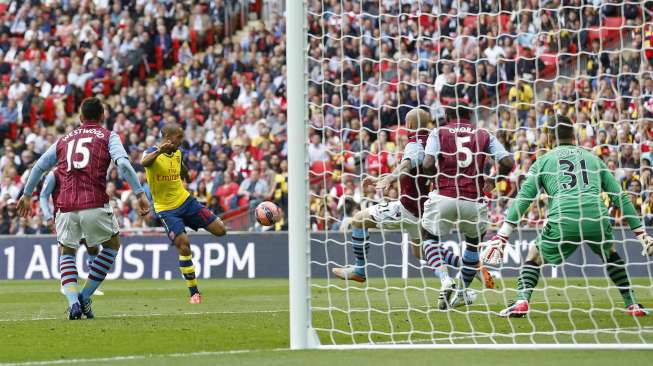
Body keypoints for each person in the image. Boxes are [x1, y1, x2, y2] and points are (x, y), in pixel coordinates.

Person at [481, 115, 653, 317]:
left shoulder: (543, 161)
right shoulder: (593, 159)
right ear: (574, 136)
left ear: (550, 139)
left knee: (534, 253)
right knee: (611, 253)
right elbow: (619, 197)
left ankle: (521, 301)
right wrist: (642, 235)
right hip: (596, 216)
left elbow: (524, 199)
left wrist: (503, 235)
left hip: (564, 217)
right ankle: (631, 304)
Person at [16, 97, 150, 320]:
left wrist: (27, 194)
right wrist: (139, 193)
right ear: (103, 116)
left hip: (65, 207)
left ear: (80, 118)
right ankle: (85, 296)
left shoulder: (63, 140)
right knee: (112, 245)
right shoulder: (108, 136)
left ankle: (72, 303)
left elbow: (39, 166)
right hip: (94, 203)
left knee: (66, 252)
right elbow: (124, 165)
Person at [331, 108, 494, 289]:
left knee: (358, 220)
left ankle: (359, 270)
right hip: (429, 210)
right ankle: (472, 267)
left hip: (408, 208)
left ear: (408, 125)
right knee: (421, 252)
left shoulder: (415, 143)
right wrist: (386, 176)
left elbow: (408, 164)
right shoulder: (440, 141)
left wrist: (392, 177)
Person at [421, 102, 515, 309]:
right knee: (472, 245)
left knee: (428, 237)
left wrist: (434, 179)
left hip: (444, 195)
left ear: (447, 115)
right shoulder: (483, 134)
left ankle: (445, 280)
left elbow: (427, 164)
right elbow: (508, 162)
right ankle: (462, 292)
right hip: (474, 199)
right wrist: (495, 179)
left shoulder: (439, 132)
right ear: (470, 116)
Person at [141, 122, 227, 304]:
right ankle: (194, 292)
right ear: (168, 137)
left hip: (186, 202)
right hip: (166, 210)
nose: (182, 140)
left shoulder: (178, 153)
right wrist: (158, 151)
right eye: (179, 137)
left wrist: (187, 176)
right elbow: (144, 162)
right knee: (184, 245)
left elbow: (181, 167)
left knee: (221, 230)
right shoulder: (151, 152)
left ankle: (188, 221)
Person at [39, 169, 105, 296]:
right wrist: (47, 217)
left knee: (92, 247)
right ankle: (66, 284)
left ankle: (91, 285)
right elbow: (43, 195)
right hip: (65, 216)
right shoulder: (55, 174)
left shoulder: (82, 170)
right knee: (67, 250)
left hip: (84, 213)